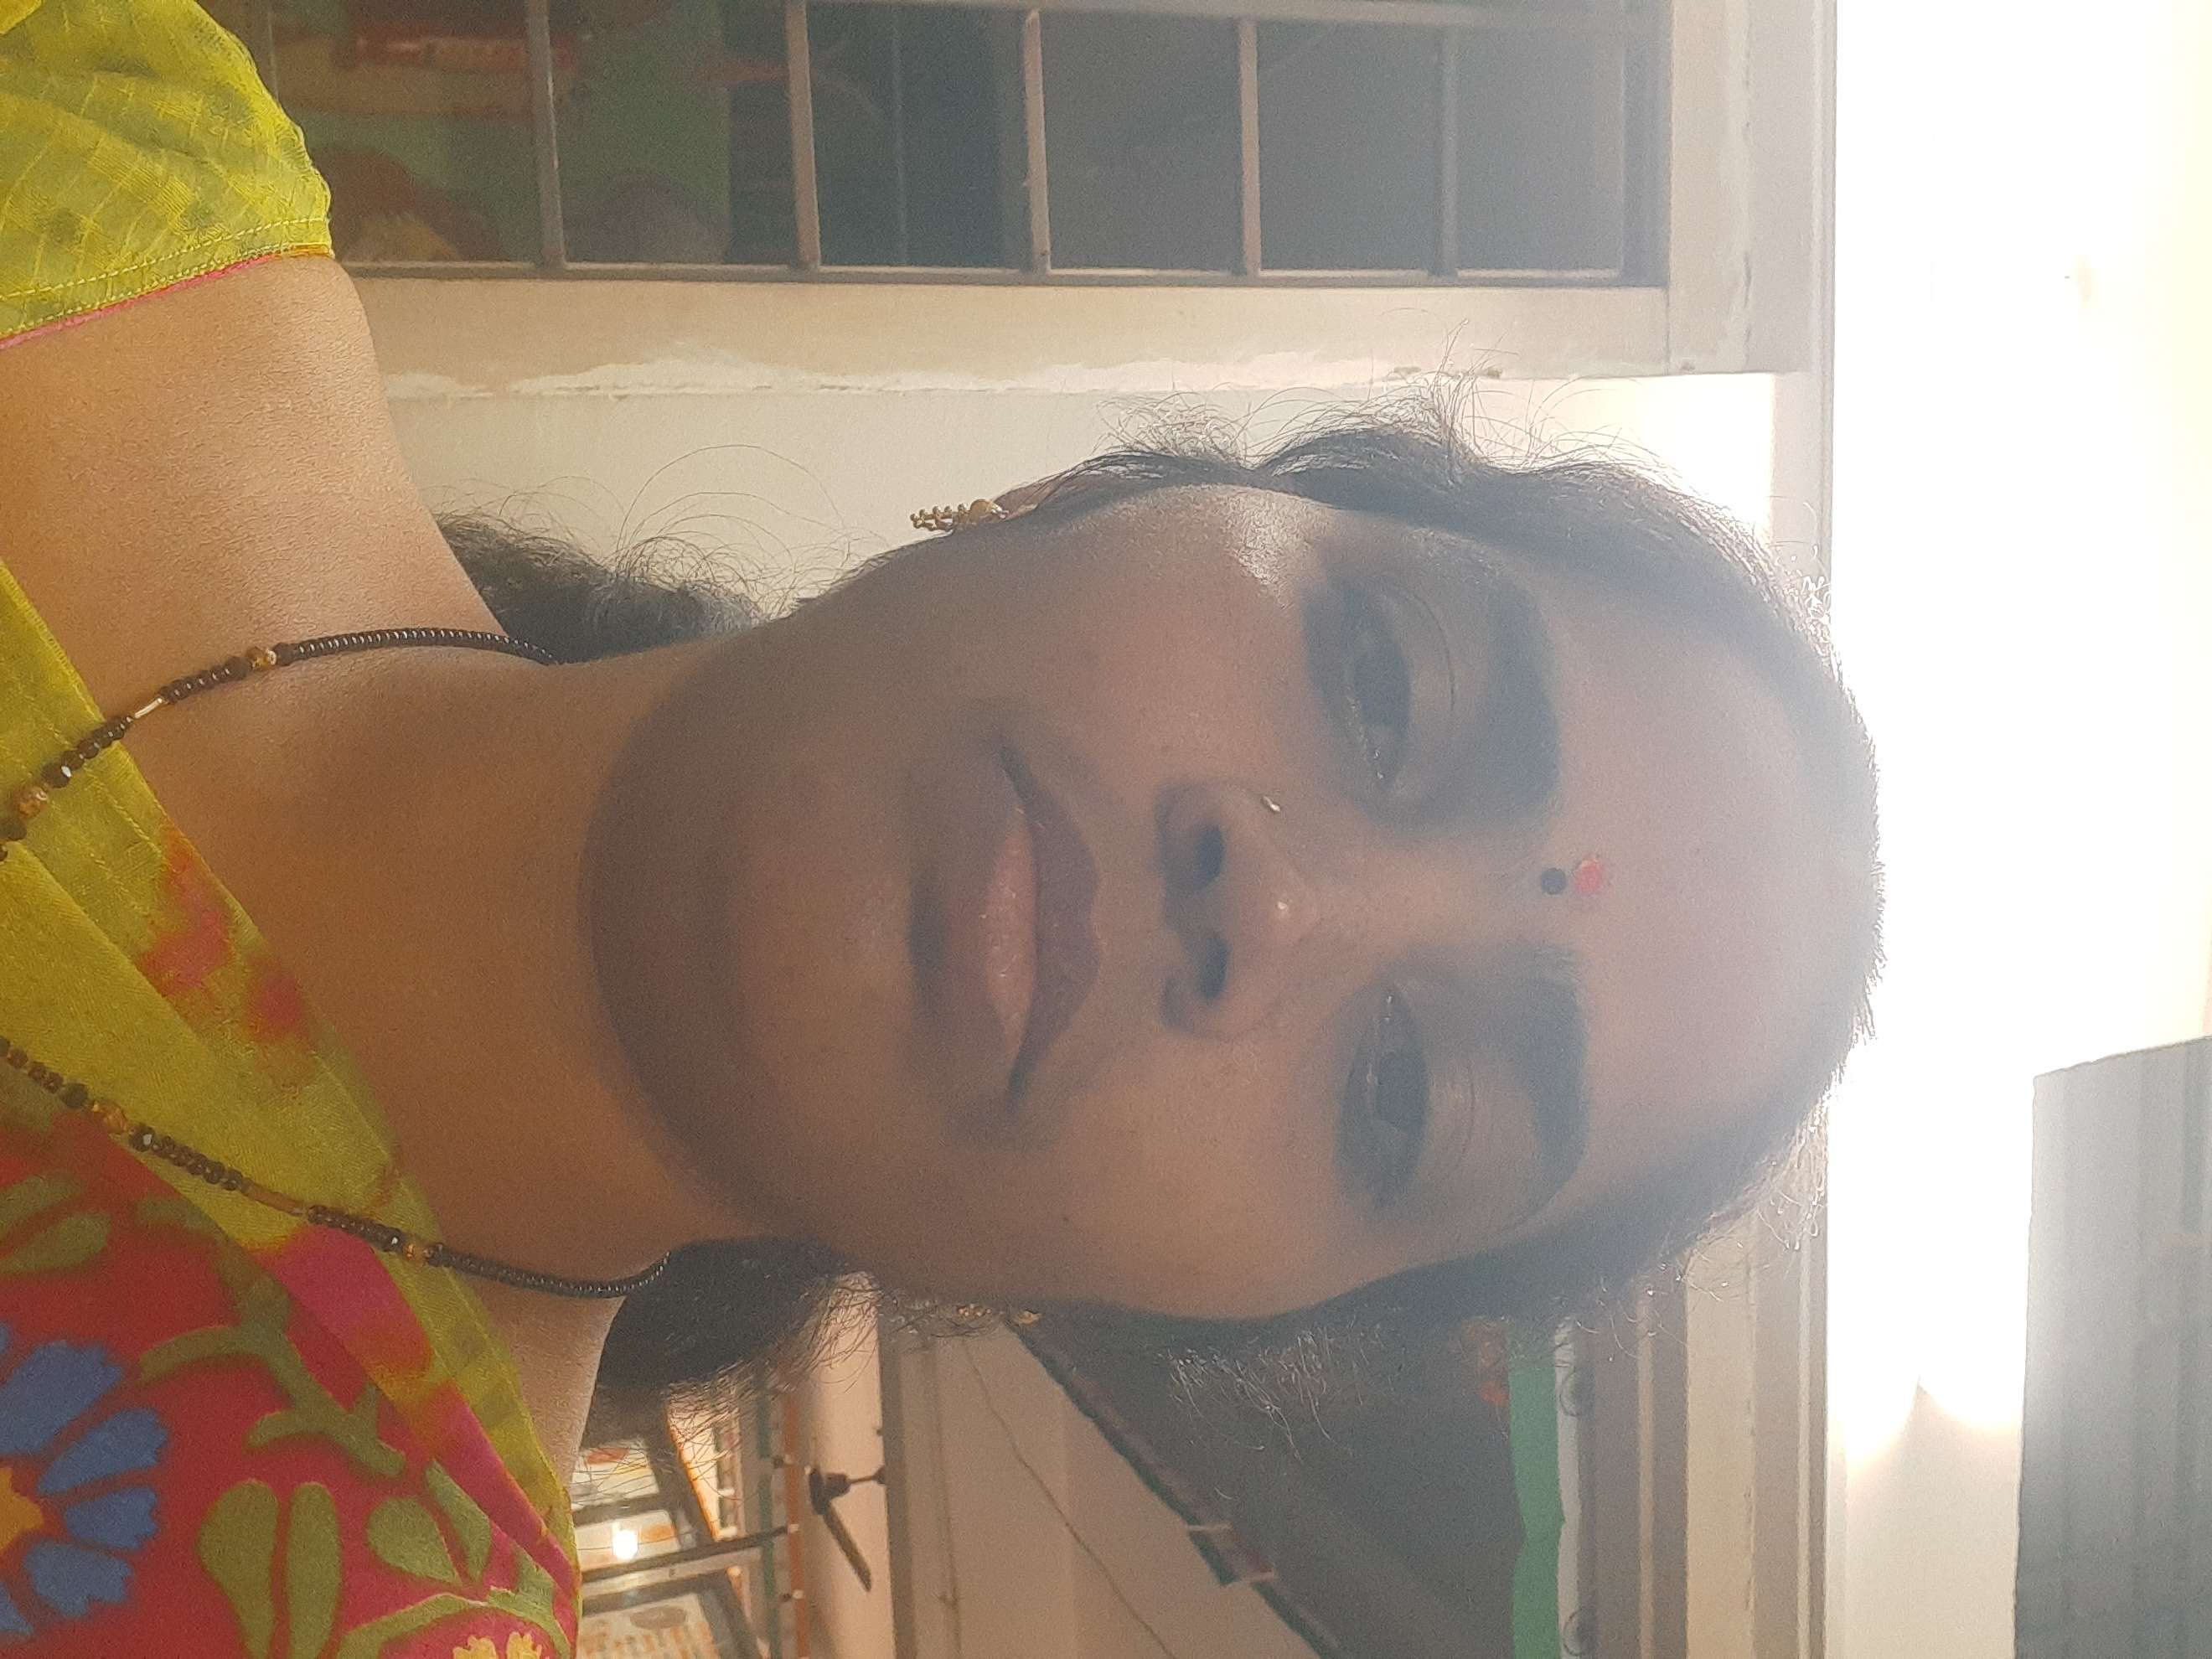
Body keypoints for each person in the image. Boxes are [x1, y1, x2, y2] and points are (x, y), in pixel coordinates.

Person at [0, 1, 1883, 1652]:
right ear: (1081, 493)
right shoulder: (99, 129)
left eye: (1406, 1097)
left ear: (1159, 1314)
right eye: (1388, 686)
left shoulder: (299, 1604)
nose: (1277, 907)